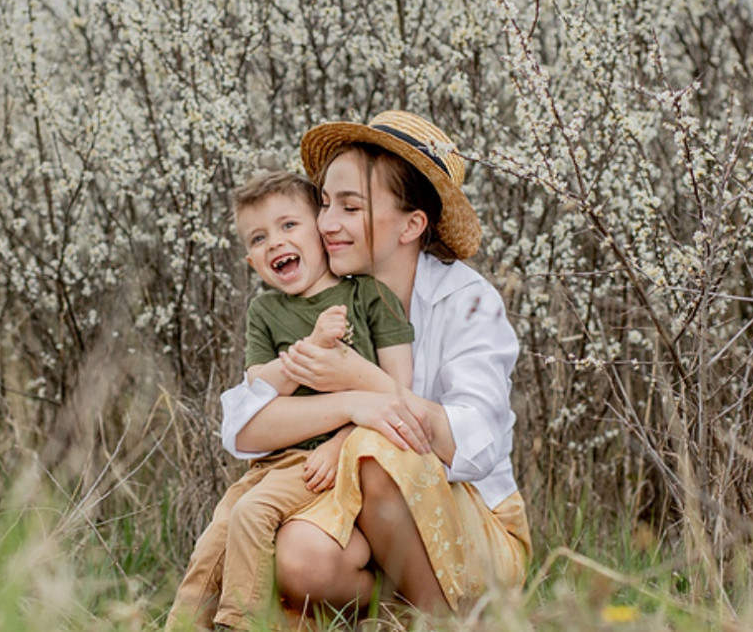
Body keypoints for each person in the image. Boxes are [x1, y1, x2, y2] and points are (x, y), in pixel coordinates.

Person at [219, 111, 532, 619]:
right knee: (300, 558)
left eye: (351, 206)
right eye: (324, 204)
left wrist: (368, 382)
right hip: (359, 519)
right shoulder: (321, 299)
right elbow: (244, 428)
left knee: (373, 448)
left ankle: (444, 625)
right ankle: (393, 618)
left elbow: (477, 445)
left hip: (474, 529)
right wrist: (350, 400)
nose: (328, 224)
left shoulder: (467, 301)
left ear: (412, 224)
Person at [167, 170, 415, 631]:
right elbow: (259, 384)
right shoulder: (265, 311)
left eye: (288, 226)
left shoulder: (367, 295)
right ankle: (181, 626)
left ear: (320, 232)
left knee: (251, 514)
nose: (274, 243)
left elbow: (396, 394)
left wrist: (340, 442)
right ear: (250, 260)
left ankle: (240, 624)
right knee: (214, 540)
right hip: (272, 463)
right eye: (259, 238)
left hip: (323, 459)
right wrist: (313, 347)